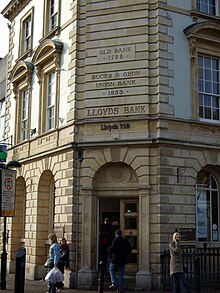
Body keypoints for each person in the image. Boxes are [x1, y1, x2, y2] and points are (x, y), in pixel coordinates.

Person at [108, 229, 132, 293]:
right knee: (121, 273)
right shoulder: (125, 240)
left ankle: (114, 282)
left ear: (116, 234)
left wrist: (108, 249)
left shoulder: (115, 240)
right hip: (123, 259)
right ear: (121, 233)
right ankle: (120, 288)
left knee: (111, 269)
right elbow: (130, 249)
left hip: (115, 259)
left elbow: (112, 249)